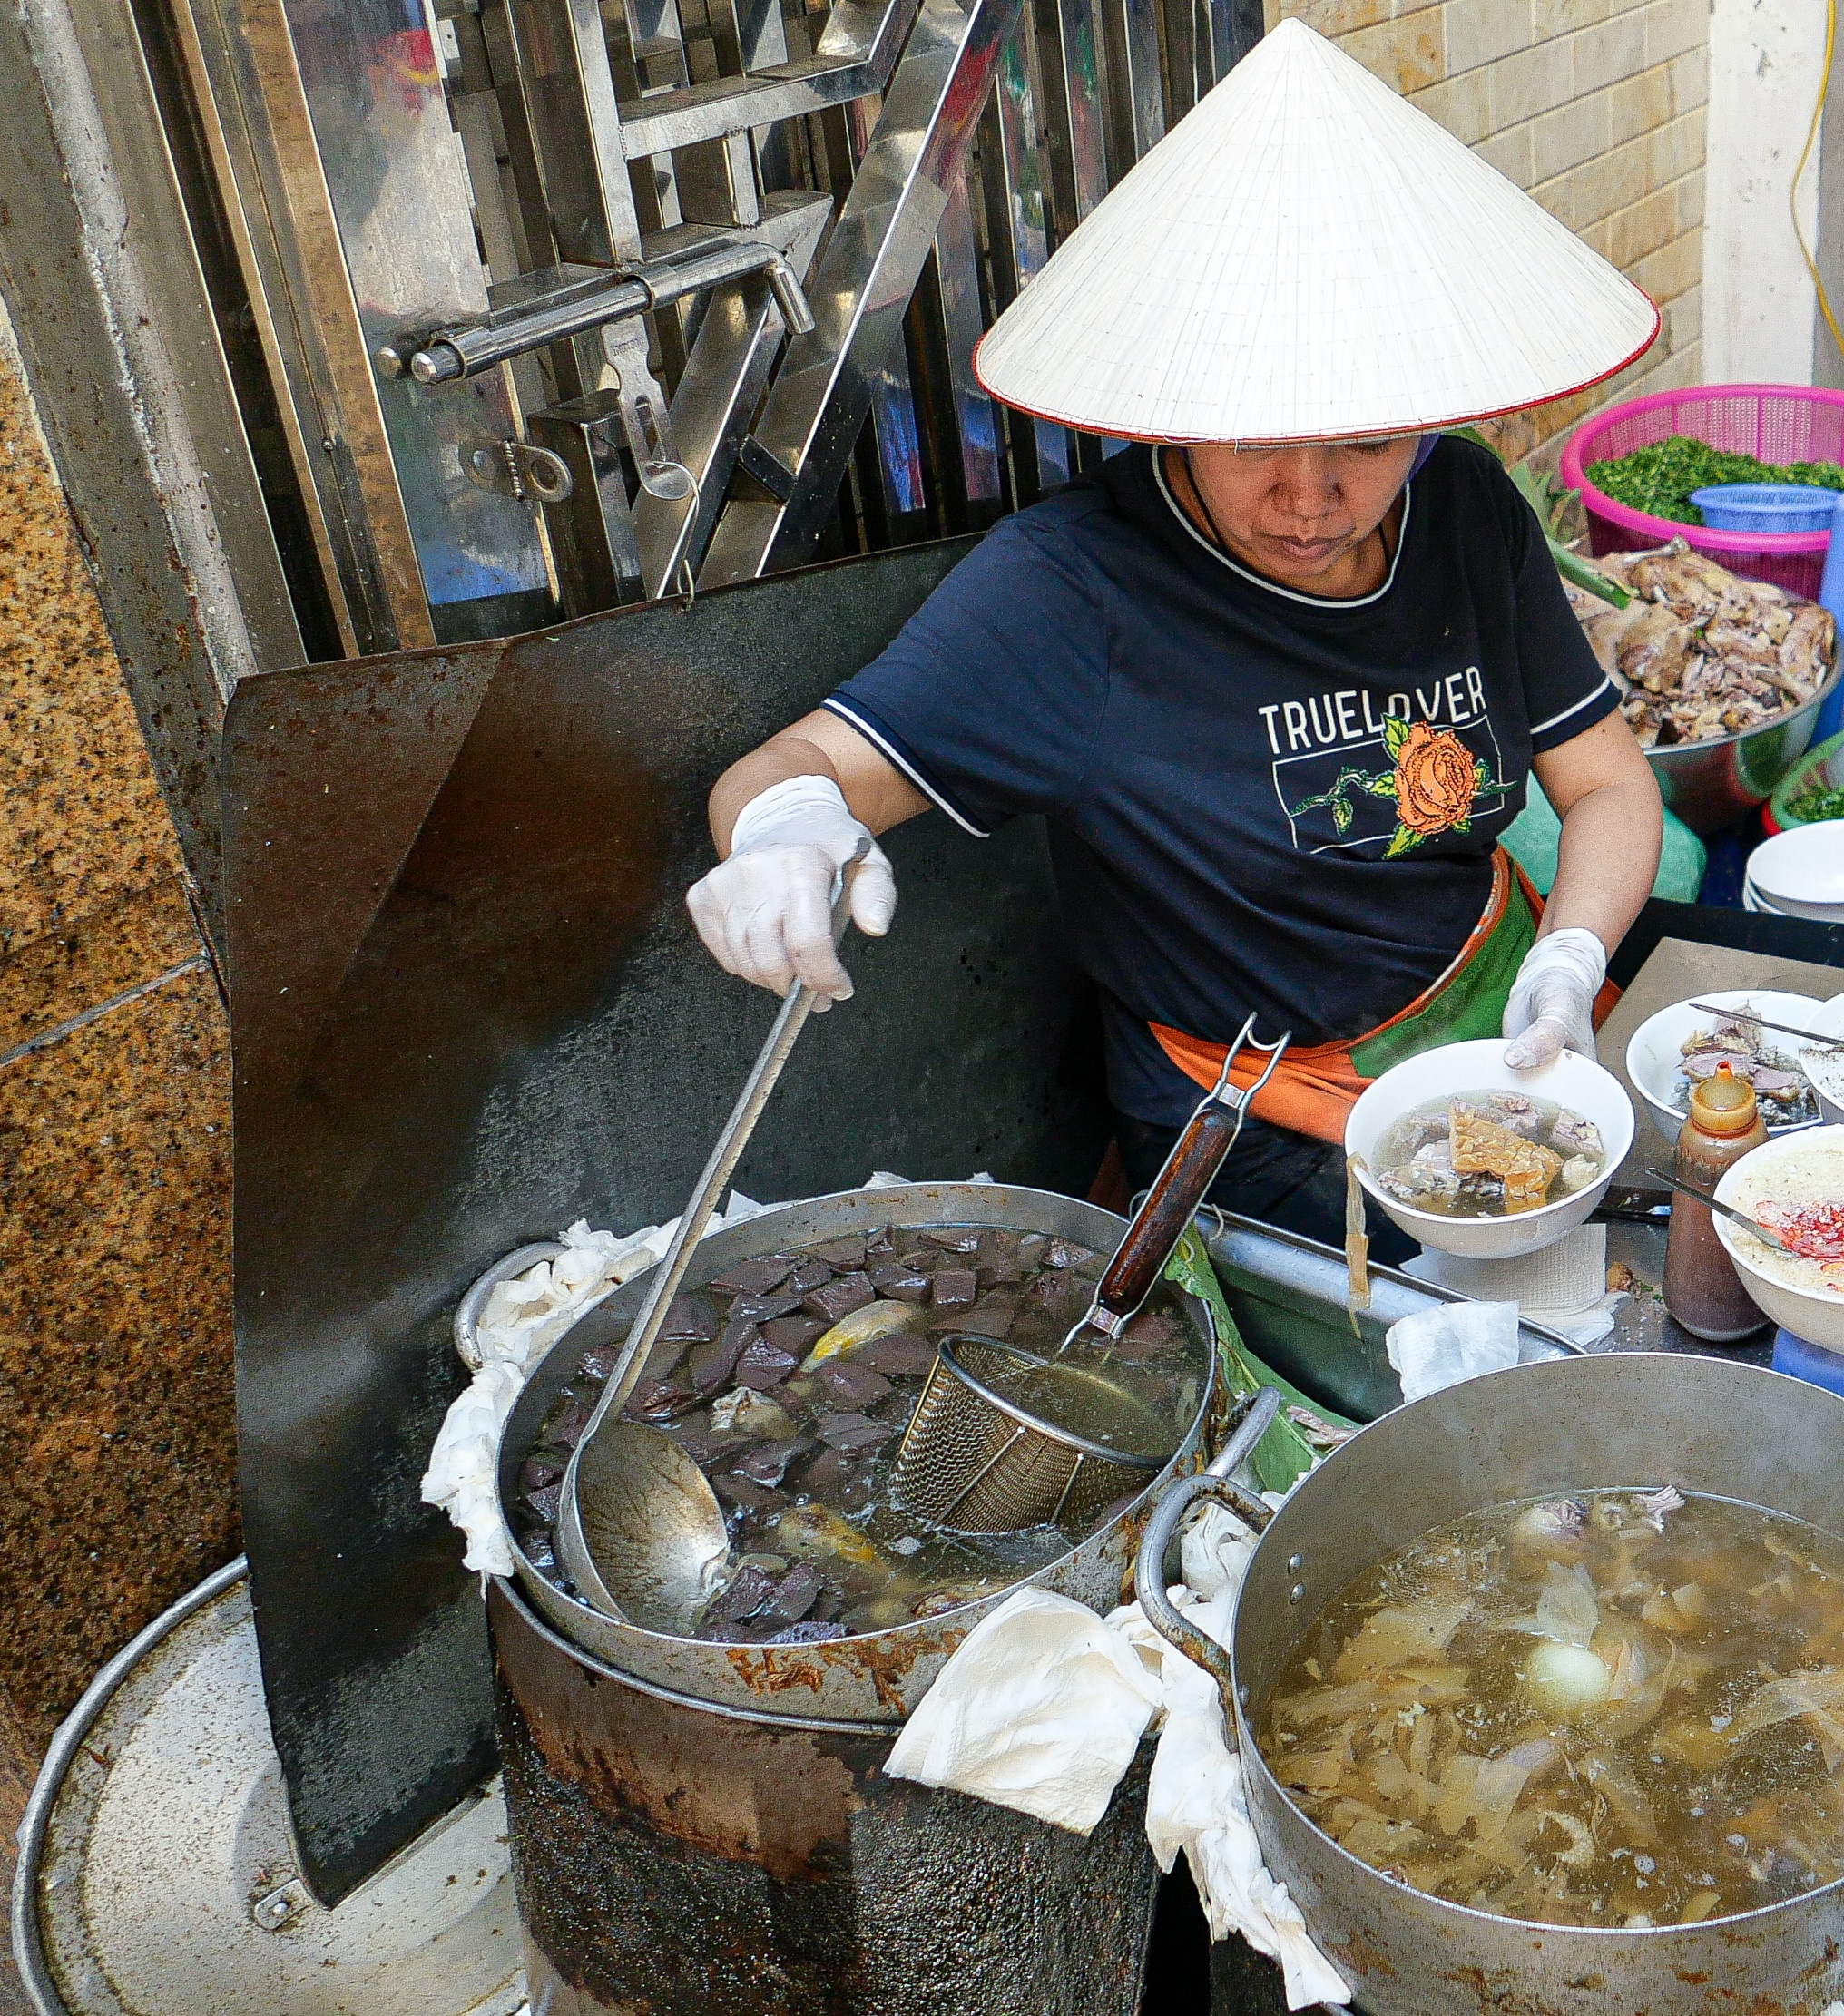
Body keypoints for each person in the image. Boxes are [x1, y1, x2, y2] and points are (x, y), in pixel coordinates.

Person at [682, 21, 1664, 1252]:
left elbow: (1607, 782)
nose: (1311, 499)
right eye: (1252, 441)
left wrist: (1569, 955)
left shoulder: (1464, 506)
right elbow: (788, 768)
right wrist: (780, 832)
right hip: (1259, 1115)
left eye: (1367, 442)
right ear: (1177, 413)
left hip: (1496, 1005)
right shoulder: (1075, 585)